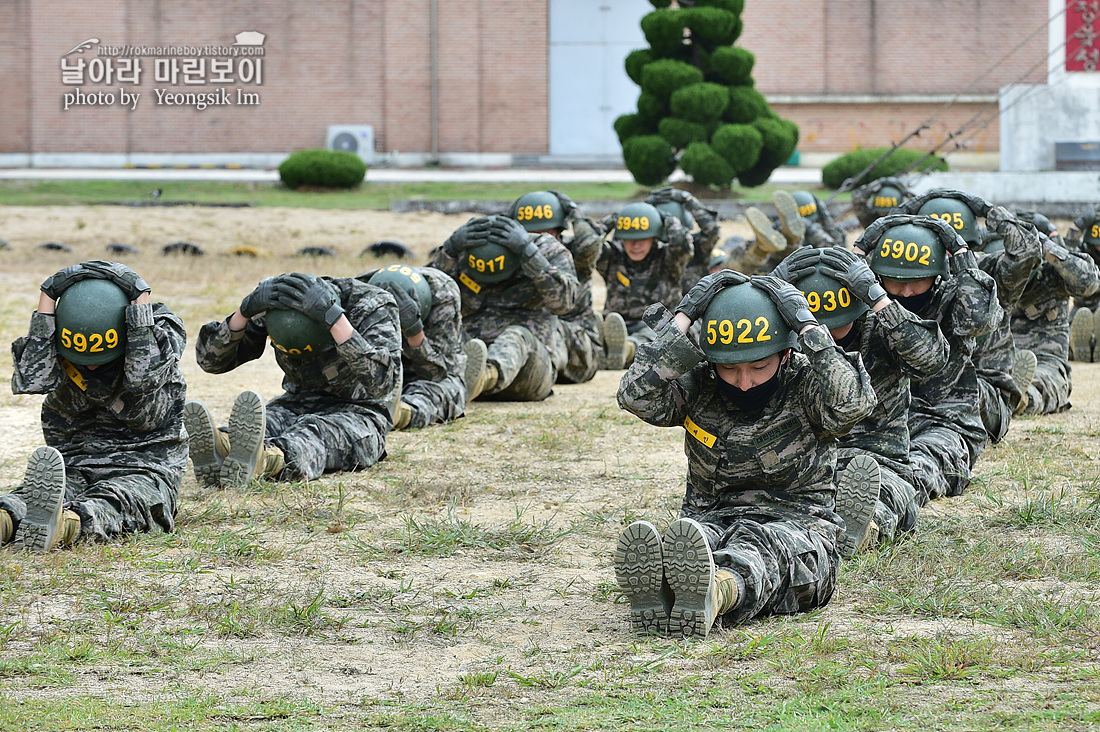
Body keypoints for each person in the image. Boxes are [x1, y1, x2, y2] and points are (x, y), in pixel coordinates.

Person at [614, 271, 877, 638]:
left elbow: (854, 404)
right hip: (710, 520)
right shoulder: (701, 384)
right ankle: (664, 586)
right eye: (729, 368)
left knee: (760, 547)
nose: (744, 382)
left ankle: (717, 592)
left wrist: (807, 326)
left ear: (784, 354)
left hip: (798, 527)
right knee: (697, 541)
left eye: (758, 366)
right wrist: (682, 318)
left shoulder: (807, 383)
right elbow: (633, 396)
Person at [1, 261, 186, 551]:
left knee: (117, 501)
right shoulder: (59, 324)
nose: (93, 365)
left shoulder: (158, 328)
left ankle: (65, 526)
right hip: (75, 462)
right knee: (28, 498)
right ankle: (7, 521)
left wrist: (139, 302)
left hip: (145, 466)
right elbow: (35, 380)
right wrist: (48, 296)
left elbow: (141, 379)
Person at [772, 247, 948, 552]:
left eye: (837, 327)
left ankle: (863, 532)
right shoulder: (785, 339)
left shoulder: (883, 329)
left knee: (891, 496)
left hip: (876, 460)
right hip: (802, 468)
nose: (828, 337)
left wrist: (880, 299)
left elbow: (931, 359)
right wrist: (769, 291)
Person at [188, 272, 401, 488]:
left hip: (359, 413)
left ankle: (266, 460)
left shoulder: (372, 304)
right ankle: (224, 447)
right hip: (295, 404)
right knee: (264, 424)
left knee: (311, 434)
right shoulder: (281, 304)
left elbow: (383, 384)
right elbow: (210, 361)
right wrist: (243, 313)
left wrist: (334, 319)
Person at [856, 215, 1001, 503]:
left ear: (937, 275)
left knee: (925, 464)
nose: (906, 291)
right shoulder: (868, 301)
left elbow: (981, 317)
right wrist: (859, 251)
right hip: (881, 422)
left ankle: (882, 504)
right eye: (896, 281)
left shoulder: (952, 298)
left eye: (917, 280)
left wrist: (959, 250)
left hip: (945, 418)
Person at [431, 215, 579, 401]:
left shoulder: (546, 249)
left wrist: (530, 256)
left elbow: (565, 303)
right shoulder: (463, 253)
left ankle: (485, 376)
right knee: (445, 329)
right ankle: (459, 378)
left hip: (529, 370)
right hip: (471, 350)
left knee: (517, 336)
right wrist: (449, 251)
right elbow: (429, 295)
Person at [505, 190, 605, 384]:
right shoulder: (515, 255)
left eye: (546, 233)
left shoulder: (575, 253)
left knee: (542, 327)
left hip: (579, 349)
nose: (538, 240)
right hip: (531, 342)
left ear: (559, 231)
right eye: (530, 234)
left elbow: (590, 243)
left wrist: (573, 211)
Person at [1010, 212, 1100, 414]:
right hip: (1000, 360)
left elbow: (1087, 279)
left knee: (1046, 383)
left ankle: (1020, 398)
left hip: (1046, 359)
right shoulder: (992, 267)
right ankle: (1000, 396)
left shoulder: (1056, 273)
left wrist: (1046, 240)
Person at [363, 263, 467, 430]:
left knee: (451, 391)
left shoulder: (443, 294)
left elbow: (438, 374)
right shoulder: (360, 290)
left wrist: (414, 331)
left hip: (425, 370)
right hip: (381, 369)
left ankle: (400, 414)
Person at [597, 202, 691, 368]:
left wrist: (663, 217)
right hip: (616, 323)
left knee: (660, 334)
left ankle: (627, 350)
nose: (636, 245)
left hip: (655, 326)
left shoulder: (668, 260)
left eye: (643, 239)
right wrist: (616, 218)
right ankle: (603, 350)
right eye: (630, 239)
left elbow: (682, 242)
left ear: (654, 237)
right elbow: (587, 244)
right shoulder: (612, 257)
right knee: (594, 328)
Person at [640, 187, 720, 294]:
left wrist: (689, 200)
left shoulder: (696, 246)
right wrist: (643, 208)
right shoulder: (645, 249)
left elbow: (711, 230)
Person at [726, 191, 805, 275]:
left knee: (731, 271)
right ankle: (790, 239)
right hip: (780, 272)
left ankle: (762, 249)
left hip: (756, 273)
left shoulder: (724, 252)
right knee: (782, 260)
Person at [1064, 205, 1100, 361]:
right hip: (1081, 310)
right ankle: (1080, 348)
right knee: (1066, 341)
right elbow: (1066, 248)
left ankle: (1094, 345)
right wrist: (1079, 224)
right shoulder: (1082, 251)